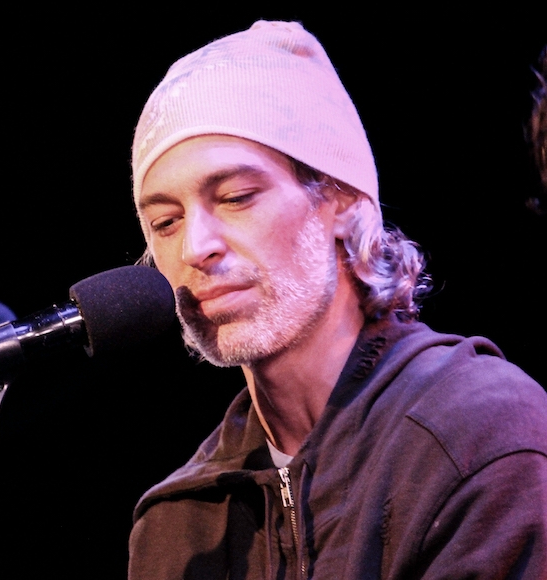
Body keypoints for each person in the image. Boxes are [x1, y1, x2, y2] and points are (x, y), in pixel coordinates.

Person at [127, 20, 547, 579]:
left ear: (344, 201)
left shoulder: (477, 437)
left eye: (236, 197)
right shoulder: (179, 522)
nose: (195, 246)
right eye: (165, 221)